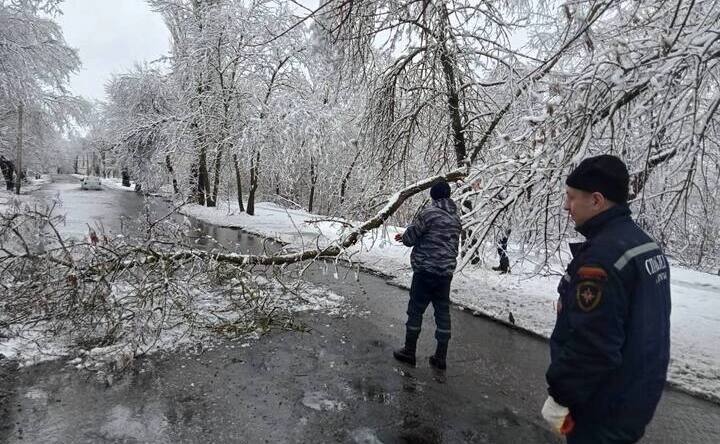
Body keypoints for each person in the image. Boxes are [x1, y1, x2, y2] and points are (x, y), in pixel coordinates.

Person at [542, 155, 671, 443]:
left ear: (597, 200)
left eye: (571, 197)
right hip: (634, 397)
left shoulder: (603, 258)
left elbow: (594, 344)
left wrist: (560, 397)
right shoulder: (645, 245)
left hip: (602, 405)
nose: (566, 206)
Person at [393, 180, 462, 370]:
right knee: (442, 313)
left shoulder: (428, 213)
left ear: (433, 196)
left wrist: (404, 236)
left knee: (415, 310)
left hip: (425, 270)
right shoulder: (456, 217)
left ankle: (409, 351)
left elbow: (411, 238)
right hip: (445, 274)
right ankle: (440, 357)